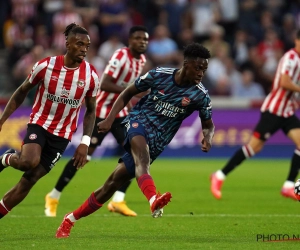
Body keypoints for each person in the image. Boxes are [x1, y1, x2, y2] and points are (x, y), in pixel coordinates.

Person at [55, 43, 215, 238]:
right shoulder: (159, 74)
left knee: (111, 185)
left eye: (204, 69)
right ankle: (153, 199)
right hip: (138, 122)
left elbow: (208, 123)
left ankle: (69, 219)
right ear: (186, 63)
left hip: (159, 140)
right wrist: (111, 118)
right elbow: (128, 92)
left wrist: (207, 137)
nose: (201, 73)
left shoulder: (200, 95)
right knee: (142, 158)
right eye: (198, 68)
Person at [45, 25, 149, 217]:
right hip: (101, 112)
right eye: (138, 38)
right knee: (83, 158)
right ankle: (53, 195)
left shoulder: (141, 60)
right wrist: (132, 90)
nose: (142, 42)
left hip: (120, 114)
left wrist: (131, 104)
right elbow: (105, 83)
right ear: (130, 40)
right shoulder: (121, 56)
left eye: (145, 39)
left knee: (137, 154)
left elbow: (128, 91)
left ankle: (118, 200)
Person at [0, 23, 100, 219]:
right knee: (28, 162)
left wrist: (85, 142)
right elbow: (21, 92)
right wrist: (2, 119)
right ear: (67, 43)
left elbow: (91, 111)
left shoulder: (91, 76)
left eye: (87, 46)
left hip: (62, 136)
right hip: (40, 123)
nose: (83, 49)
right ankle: (7, 158)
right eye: (79, 44)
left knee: (30, 178)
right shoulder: (45, 66)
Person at [210, 29, 300, 201]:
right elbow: (284, 82)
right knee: (253, 148)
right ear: (297, 40)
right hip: (274, 110)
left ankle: (288, 186)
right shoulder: (290, 58)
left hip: (287, 111)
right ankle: (219, 175)